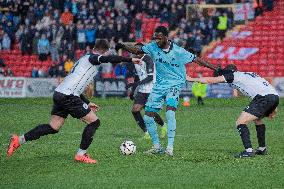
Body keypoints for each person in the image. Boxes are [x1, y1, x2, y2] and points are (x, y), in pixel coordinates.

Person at [7, 39, 141, 164]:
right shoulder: (92, 58)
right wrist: (130, 59)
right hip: (68, 96)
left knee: (54, 127)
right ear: (104, 51)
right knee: (94, 122)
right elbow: (108, 59)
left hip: (61, 93)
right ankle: (81, 154)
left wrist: (87, 102)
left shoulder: (83, 60)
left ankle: (19, 140)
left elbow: (74, 85)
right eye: (105, 53)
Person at [116, 26, 217, 156]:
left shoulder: (178, 51)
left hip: (174, 84)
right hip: (159, 85)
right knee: (147, 117)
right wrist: (123, 45)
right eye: (155, 38)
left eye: (159, 38)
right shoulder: (152, 47)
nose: (157, 40)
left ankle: (169, 148)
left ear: (166, 37)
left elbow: (197, 59)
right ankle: (157, 146)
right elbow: (138, 49)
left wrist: (216, 68)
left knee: (170, 113)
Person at [187, 64, 279, 158]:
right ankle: (262, 148)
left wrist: (191, 79)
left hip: (263, 98)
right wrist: (274, 106)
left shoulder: (233, 75)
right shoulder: (248, 74)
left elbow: (209, 80)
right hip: (274, 96)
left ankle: (249, 151)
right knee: (257, 119)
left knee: (240, 122)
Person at [128, 43, 167, 140]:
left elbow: (150, 77)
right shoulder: (136, 61)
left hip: (151, 90)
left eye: (137, 50)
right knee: (135, 110)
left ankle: (163, 125)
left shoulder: (148, 59)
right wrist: (133, 91)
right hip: (142, 91)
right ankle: (146, 133)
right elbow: (137, 76)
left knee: (150, 112)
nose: (135, 52)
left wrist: (136, 85)